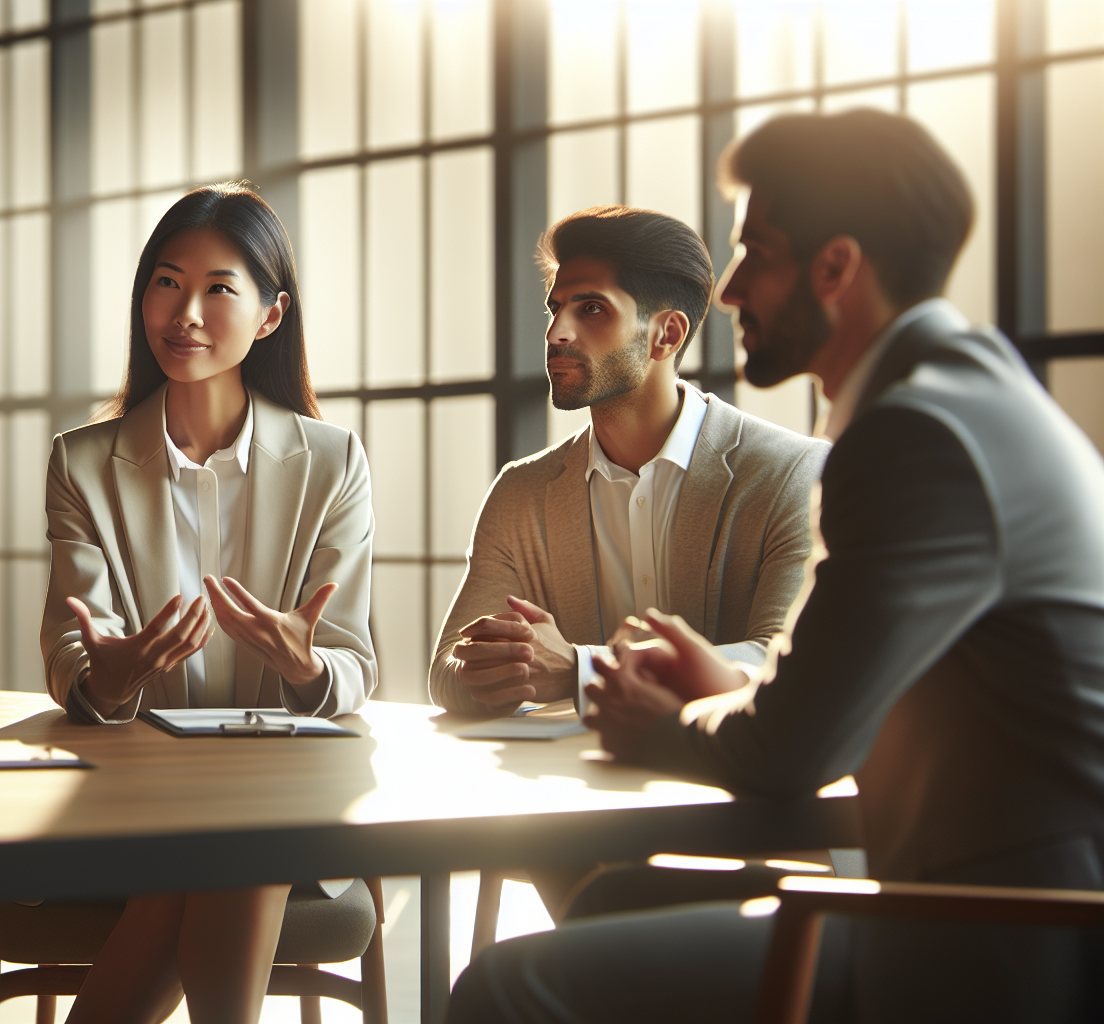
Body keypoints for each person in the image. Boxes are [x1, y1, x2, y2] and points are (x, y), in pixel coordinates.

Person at [453, 109, 1104, 1023]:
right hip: (972, 906)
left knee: (505, 988)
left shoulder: (915, 434)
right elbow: (817, 699)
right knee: (606, 904)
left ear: (836, 268)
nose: (731, 290)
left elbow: (791, 750)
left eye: (757, 253)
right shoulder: (959, 394)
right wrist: (721, 688)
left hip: (997, 943)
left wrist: (657, 716)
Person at [40, 183, 377, 1023]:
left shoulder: (332, 462)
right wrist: (111, 676)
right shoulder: (82, 463)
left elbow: (351, 664)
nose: (184, 312)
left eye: (219, 288)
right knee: (228, 847)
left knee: (245, 833)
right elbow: (72, 657)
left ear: (270, 316)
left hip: (286, 806)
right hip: (129, 805)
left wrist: (305, 661)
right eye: (165, 281)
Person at [429, 206, 828, 915]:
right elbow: (447, 672)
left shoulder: (791, 475)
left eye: (591, 310)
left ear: (666, 333)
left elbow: (777, 660)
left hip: (743, 822)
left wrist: (576, 670)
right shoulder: (523, 492)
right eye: (555, 309)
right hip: (578, 815)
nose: (555, 333)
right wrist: (491, 665)